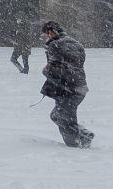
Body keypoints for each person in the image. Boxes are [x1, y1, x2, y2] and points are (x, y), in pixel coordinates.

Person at [39, 20, 91, 148]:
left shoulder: (54, 45)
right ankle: (84, 136)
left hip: (67, 89)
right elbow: (76, 65)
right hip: (80, 87)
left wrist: (46, 71)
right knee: (59, 115)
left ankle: (74, 145)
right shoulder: (75, 43)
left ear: (51, 32)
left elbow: (54, 69)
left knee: (62, 117)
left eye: (46, 34)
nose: (46, 37)